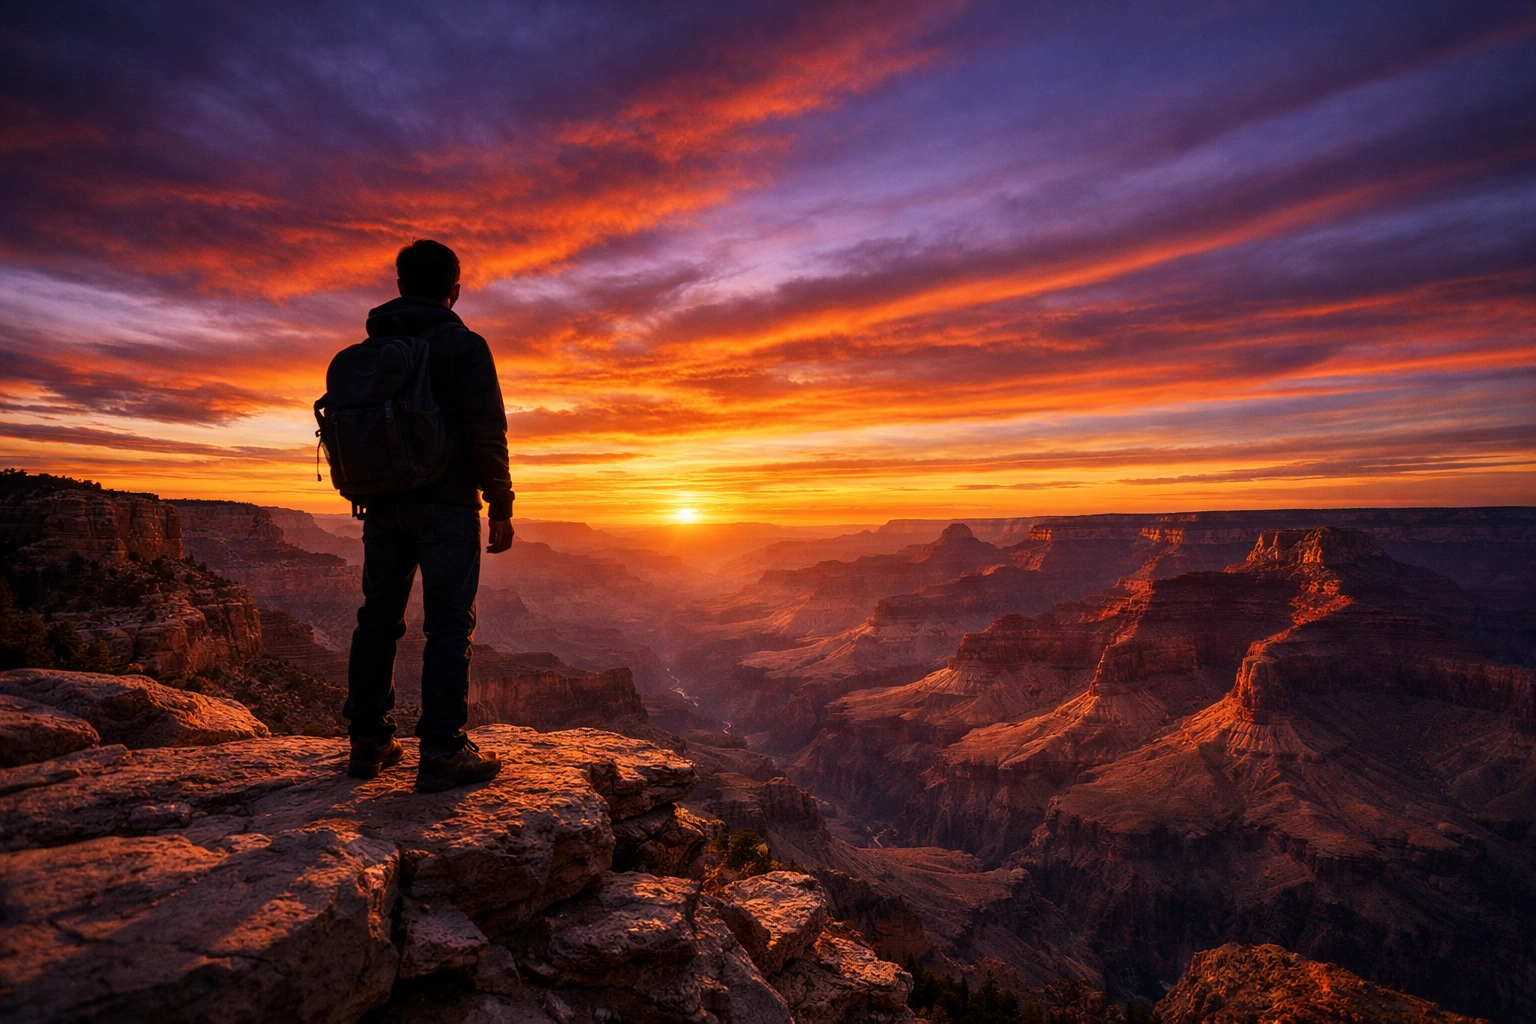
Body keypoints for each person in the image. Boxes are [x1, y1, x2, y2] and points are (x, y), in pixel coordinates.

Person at [343, 239, 514, 792]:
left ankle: (369, 741)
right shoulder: (463, 345)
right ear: (454, 290)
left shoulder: (374, 347)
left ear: (399, 287)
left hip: (384, 505)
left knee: (378, 620)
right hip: (447, 507)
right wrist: (501, 506)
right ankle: (442, 750)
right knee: (448, 626)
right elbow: (487, 431)